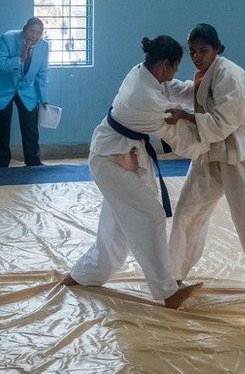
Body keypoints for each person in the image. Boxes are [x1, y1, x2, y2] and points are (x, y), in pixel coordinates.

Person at [61, 36, 208, 309]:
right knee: (150, 215)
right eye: (176, 66)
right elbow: (180, 133)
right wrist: (213, 137)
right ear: (165, 64)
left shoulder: (143, 73)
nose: (176, 72)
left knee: (114, 230)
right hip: (110, 160)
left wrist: (201, 88)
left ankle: (79, 275)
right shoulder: (145, 97)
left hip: (118, 153)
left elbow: (175, 90)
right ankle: (167, 292)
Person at [166, 24, 245, 299]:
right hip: (210, 152)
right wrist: (160, 83)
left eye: (203, 50)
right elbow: (196, 94)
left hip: (237, 154)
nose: (197, 56)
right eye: (192, 51)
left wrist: (185, 116)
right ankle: (173, 276)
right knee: (187, 213)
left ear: (217, 49)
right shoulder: (205, 74)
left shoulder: (229, 75)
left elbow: (223, 122)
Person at [0, 17, 50, 167]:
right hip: (3, 88)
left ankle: (33, 162)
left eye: (38, 33)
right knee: (2, 127)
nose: (34, 36)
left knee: (30, 127)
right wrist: (20, 58)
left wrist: (44, 97)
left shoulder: (44, 46)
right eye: (31, 31)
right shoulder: (7, 39)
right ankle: (1, 165)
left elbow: (43, 73)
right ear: (24, 29)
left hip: (26, 90)